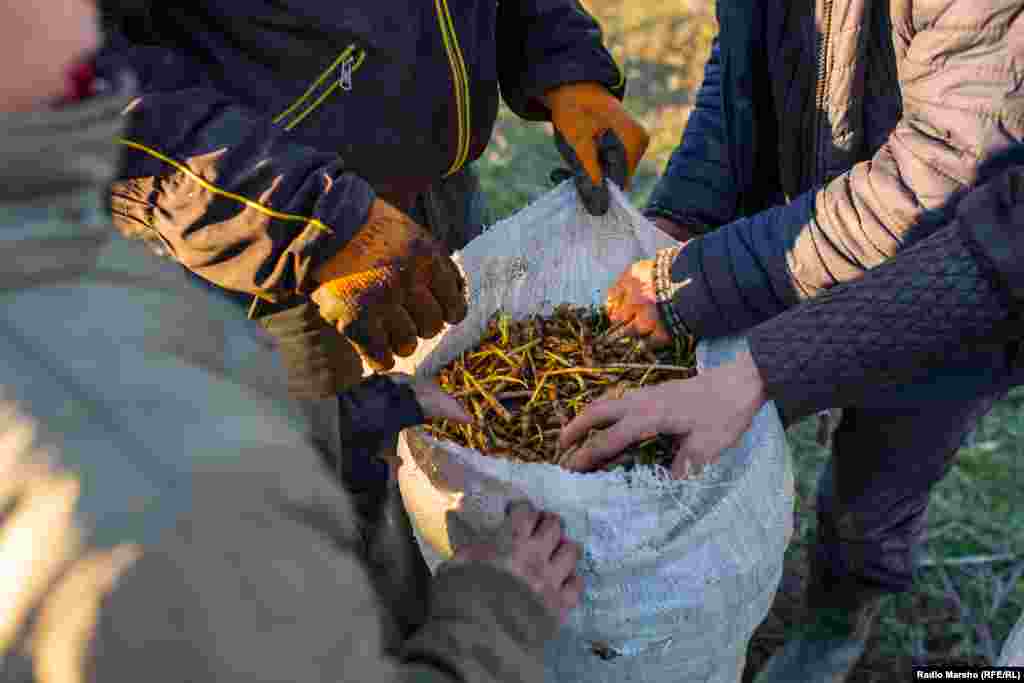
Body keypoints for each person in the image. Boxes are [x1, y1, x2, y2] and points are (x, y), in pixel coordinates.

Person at [0, 1, 584, 680]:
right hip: (272, 239)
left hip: (393, 209)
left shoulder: (112, 316)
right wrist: (493, 618)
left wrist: (557, 51)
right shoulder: (158, 483)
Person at [559, 0, 1024, 679]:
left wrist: (704, 286)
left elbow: (945, 183)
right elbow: (739, 66)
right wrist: (685, 214)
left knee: (878, 482)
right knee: (713, 421)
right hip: (810, 230)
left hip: (953, 297)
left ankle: (840, 616)